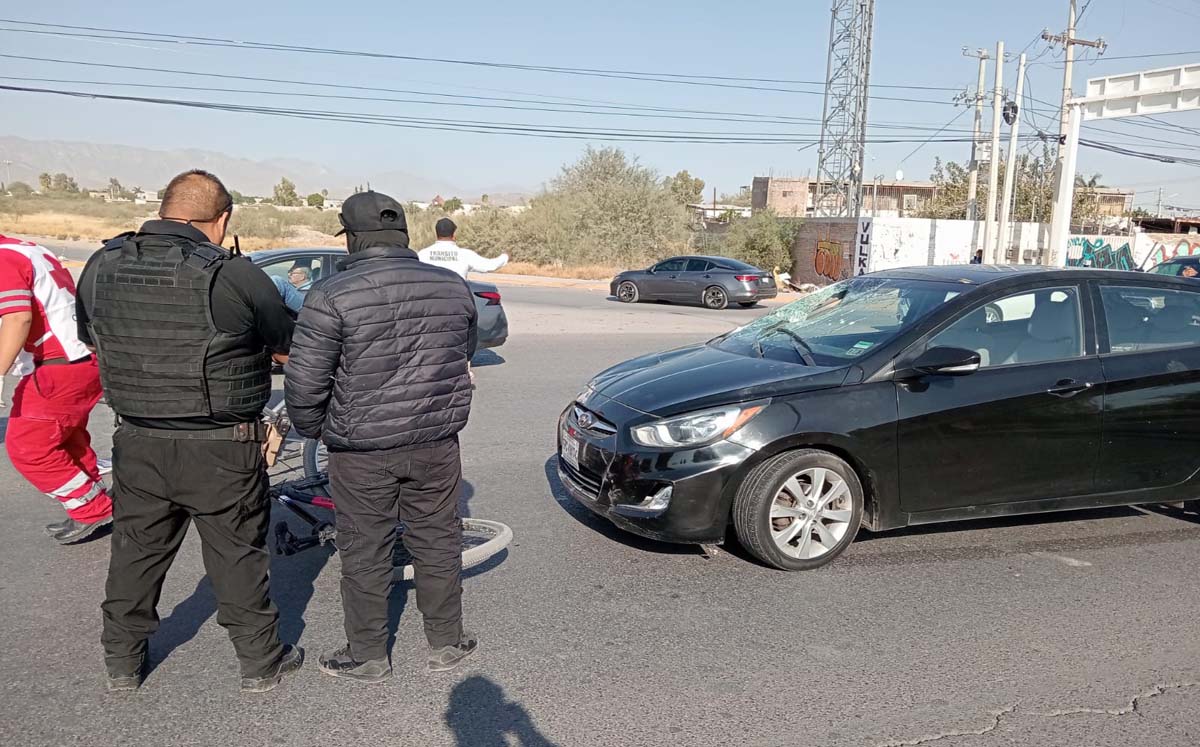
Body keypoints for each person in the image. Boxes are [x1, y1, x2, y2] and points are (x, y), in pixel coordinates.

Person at [77, 169, 304, 693]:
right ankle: (260, 663)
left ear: (164, 210)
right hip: (223, 445)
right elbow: (287, 346)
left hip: (138, 440)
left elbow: (93, 337)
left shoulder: (101, 264)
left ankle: (122, 664)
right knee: (237, 556)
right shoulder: (236, 274)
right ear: (222, 218)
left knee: (135, 554)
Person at [286, 191, 479, 683]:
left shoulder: (331, 294)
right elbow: (464, 351)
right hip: (436, 441)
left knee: (364, 547)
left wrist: (316, 431)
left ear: (352, 238)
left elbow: (305, 384)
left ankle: (369, 653)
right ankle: (447, 642)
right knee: (438, 538)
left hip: (361, 450)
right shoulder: (452, 286)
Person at [0, 233, 114, 544]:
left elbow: (18, 318)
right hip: (79, 357)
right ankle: (95, 500)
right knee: (66, 438)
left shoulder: (4, 259)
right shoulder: (24, 248)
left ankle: (93, 508)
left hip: (59, 364)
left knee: (29, 447)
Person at [418, 218, 508, 279]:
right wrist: (505, 256)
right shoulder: (465, 255)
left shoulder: (422, 255)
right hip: (457, 300)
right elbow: (490, 266)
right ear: (454, 235)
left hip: (430, 301)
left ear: (437, 234)